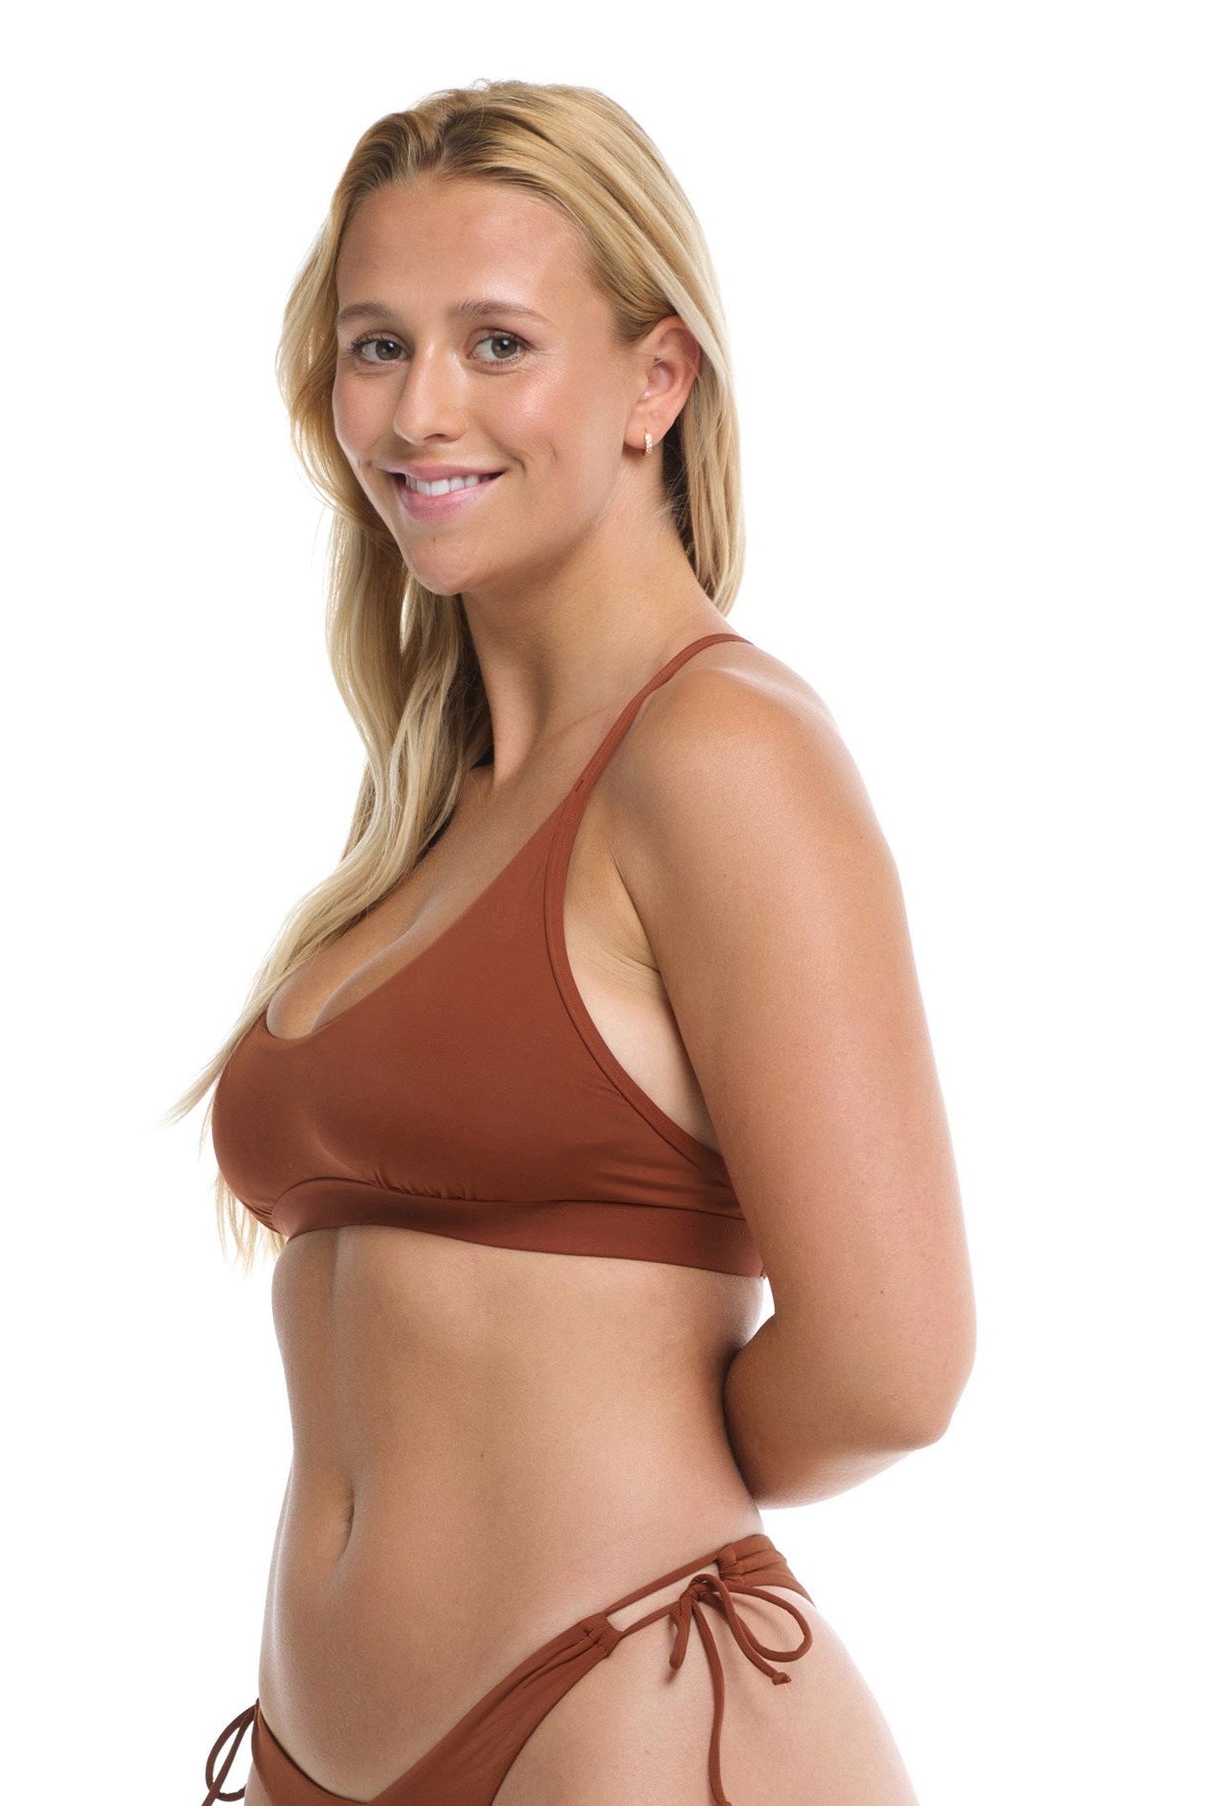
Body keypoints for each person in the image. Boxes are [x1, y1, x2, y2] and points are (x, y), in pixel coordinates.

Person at [176, 77, 977, 1806]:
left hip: (628, 1714)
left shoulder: (720, 753)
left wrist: (625, 1464)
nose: (419, 409)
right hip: (322, 1753)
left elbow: (891, 1368)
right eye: (376, 345)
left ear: (655, 381)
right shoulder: (431, 810)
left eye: (496, 342)